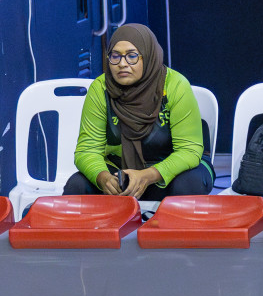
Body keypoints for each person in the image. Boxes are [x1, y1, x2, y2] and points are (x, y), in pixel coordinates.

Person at [66, 24, 213, 201]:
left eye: (132, 56)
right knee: (77, 185)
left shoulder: (175, 85)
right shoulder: (101, 88)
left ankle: (171, 229)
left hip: (171, 171)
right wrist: (103, 178)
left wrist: (148, 175)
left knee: (188, 185)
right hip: (122, 173)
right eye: (115, 56)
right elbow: (86, 150)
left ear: (148, 55)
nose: (122, 64)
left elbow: (190, 150)